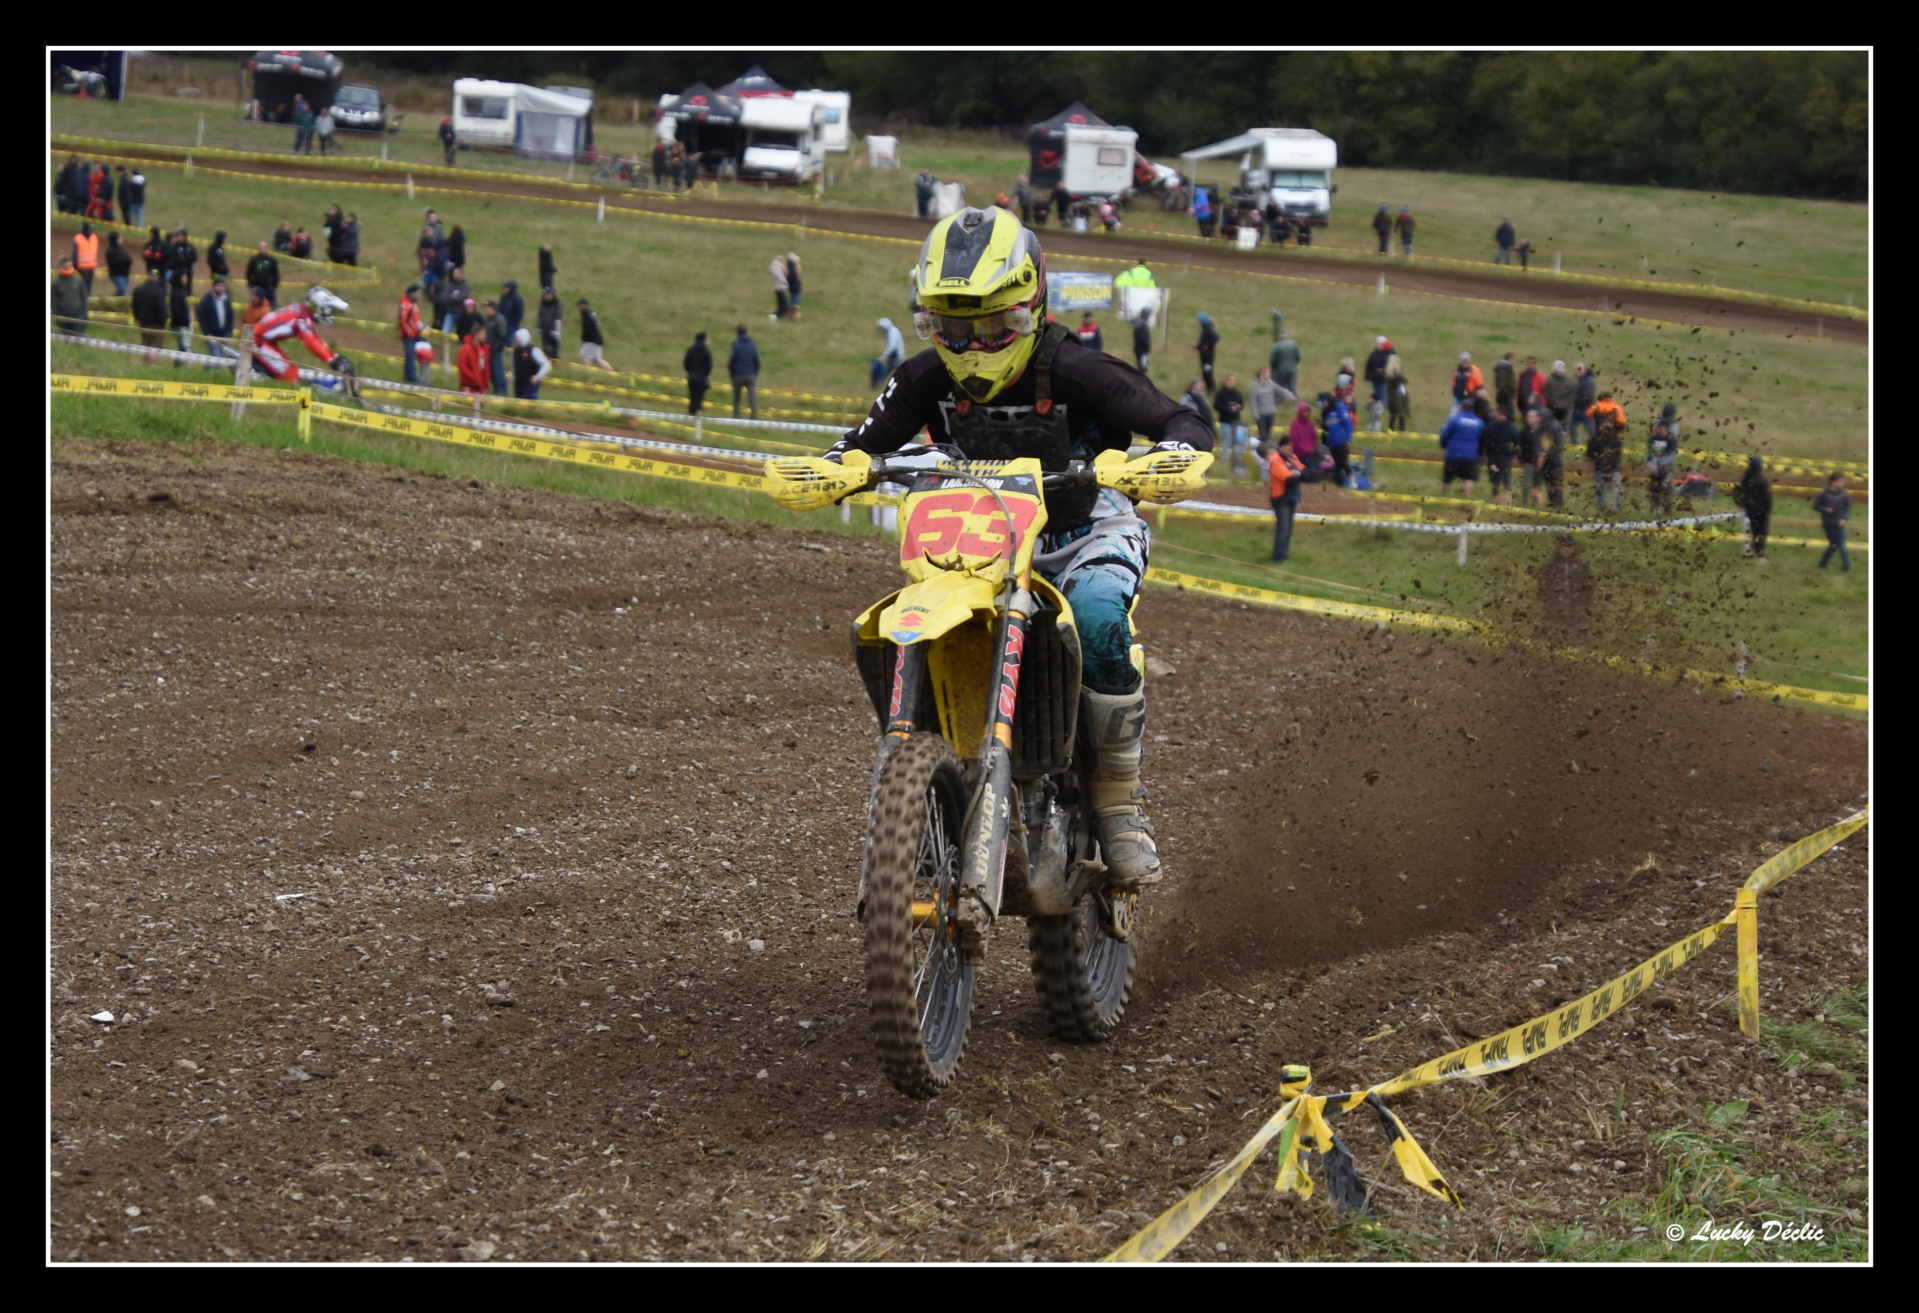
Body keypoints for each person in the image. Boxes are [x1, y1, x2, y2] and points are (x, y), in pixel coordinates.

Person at [824, 206, 1214, 893]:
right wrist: (832, 469)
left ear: (1030, 306)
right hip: (979, 542)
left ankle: (1118, 804)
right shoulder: (924, 378)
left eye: (991, 326)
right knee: (907, 615)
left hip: (1084, 532)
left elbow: (1180, 419)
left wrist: (1171, 456)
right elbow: (860, 444)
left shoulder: (1078, 368)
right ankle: (925, 777)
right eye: (953, 328)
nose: (973, 346)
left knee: (1096, 618)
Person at [1536, 536, 1594, 648]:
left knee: (1579, 643)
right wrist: (1549, 607)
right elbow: (1542, 590)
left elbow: (1588, 589)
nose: (1567, 549)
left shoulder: (1581, 567)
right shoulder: (1550, 568)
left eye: (1569, 546)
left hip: (1576, 613)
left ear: (1574, 548)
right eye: (1564, 546)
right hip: (1556, 613)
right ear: (1559, 548)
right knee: (1555, 643)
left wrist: (1584, 607)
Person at [1268, 433, 1305, 562]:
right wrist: (1296, 474)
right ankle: (1279, 557)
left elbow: (1303, 471)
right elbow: (1288, 477)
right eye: (1287, 445)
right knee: (1283, 528)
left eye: (1291, 446)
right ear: (1281, 446)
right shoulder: (1275, 459)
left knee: (1289, 529)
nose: (1290, 448)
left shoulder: (1292, 458)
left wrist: (1297, 473)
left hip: (1293, 497)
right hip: (1281, 498)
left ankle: (1284, 555)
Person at [1438, 399, 1483, 497]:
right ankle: (1466, 498)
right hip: (1471, 455)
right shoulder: (1479, 422)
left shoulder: (1455, 419)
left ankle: (1443, 497)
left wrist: (1443, 445)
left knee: (1447, 479)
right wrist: (1479, 452)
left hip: (1453, 454)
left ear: (1462, 408)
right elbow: (1482, 439)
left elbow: (1445, 435)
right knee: (1469, 478)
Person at [1731, 455, 1772, 562]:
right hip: (1761, 512)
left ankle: (1749, 553)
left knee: (1750, 532)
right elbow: (1767, 499)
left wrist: (1743, 505)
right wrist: (1767, 511)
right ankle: (1760, 554)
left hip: (1749, 511)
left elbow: (1737, 493)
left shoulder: (1746, 478)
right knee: (1760, 533)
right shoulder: (1762, 481)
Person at [1645, 403, 1680, 513]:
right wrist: (1652, 467)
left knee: (1667, 488)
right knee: (1654, 488)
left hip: (1667, 468)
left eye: (1660, 427)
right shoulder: (1653, 439)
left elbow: (1671, 455)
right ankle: (1656, 509)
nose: (1658, 429)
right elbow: (1649, 454)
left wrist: (1660, 465)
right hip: (1656, 468)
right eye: (1657, 427)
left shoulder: (1671, 439)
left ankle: (1667, 509)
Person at [1813, 473, 1852, 572]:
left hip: (1840, 523)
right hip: (1828, 523)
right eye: (1841, 481)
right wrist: (1826, 509)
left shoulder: (1843, 494)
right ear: (1833, 482)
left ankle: (1843, 566)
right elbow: (1816, 506)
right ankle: (1845, 566)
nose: (1843, 483)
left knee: (1837, 544)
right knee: (1836, 545)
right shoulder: (1824, 493)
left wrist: (1844, 518)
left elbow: (1847, 507)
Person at [1215, 374, 1251, 480]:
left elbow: (1242, 404)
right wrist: (1228, 409)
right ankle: (1225, 458)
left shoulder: (1237, 393)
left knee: (1237, 440)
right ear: (1225, 381)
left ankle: (1236, 458)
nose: (1231, 382)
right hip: (1224, 420)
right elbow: (1216, 406)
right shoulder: (1220, 393)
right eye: (1229, 380)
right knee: (1227, 439)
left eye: (1232, 380)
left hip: (1236, 421)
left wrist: (1239, 407)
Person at [1483, 404, 1517, 504]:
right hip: (1506, 458)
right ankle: (1507, 498)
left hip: (1493, 458)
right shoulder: (1512, 428)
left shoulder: (1491, 427)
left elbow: (1485, 442)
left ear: (1498, 413)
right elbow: (1517, 444)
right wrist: (1512, 455)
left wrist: (1487, 454)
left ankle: (1496, 499)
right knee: (1506, 477)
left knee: (1495, 478)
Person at [195, 277, 235, 360]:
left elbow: (230, 316)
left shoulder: (226, 299)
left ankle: (208, 367)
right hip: (212, 335)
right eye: (218, 285)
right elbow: (201, 317)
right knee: (216, 358)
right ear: (213, 286)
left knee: (221, 357)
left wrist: (229, 330)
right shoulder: (206, 300)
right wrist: (207, 332)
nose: (220, 287)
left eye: (221, 286)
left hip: (224, 334)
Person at [131, 269, 168, 359]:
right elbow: (161, 308)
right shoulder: (159, 291)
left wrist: (138, 318)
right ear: (158, 278)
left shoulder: (138, 290)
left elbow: (134, 306)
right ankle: (152, 365)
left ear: (148, 275)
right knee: (155, 346)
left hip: (143, 323)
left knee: (146, 344)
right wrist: (163, 321)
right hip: (157, 324)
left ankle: (145, 364)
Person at [1588, 418, 1624, 512]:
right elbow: (1590, 454)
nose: (1607, 425)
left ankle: (1617, 509)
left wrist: (1614, 464)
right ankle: (1602, 509)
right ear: (1601, 426)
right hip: (1600, 470)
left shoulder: (1615, 439)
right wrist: (1598, 461)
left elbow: (1618, 454)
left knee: (1617, 490)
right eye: (1604, 423)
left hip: (1613, 470)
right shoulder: (1595, 439)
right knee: (1601, 492)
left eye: (1609, 423)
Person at [1533, 408, 1566, 508]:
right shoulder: (1539, 429)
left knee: (1556, 484)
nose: (1537, 419)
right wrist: (1539, 455)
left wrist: (1545, 455)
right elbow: (1537, 443)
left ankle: (1559, 504)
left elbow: (1558, 446)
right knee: (1548, 484)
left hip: (1555, 461)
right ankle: (1552, 503)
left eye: (1539, 417)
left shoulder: (1556, 428)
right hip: (1544, 462)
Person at [1322, 389, 1354, 487]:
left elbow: (1347, 423)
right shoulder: (1325, 412)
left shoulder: (1339, 407)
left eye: (1324, 402)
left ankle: (1353, 481)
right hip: (1332, 443)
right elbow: (1328, 428)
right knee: (1337, 465)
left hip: (1342, 441)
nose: (1323, 405)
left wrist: (1348, 438)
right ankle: (1340, 485)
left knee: (1343, 463)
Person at [728, 324, 761, 419]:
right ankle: (754, 417)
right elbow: (757, 361)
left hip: (737, 375)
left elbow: (730, 362)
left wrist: (732, 374)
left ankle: (736, 417)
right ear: (747, 332)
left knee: (737, 398)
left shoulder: (735, 345)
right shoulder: (753, 345)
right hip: (750, 375)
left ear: (737, 333)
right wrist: (755, 373)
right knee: (752, 397)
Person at [51, 257, 88, 335]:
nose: (68, 268)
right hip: (63, 316)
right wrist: (56, 315)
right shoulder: (56, 283)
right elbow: (51, 300)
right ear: (60, 267)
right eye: (65, 266)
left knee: (79, 337)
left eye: (69, 266)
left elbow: (84, 297)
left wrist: (84, 314)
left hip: (78, 315)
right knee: (66, 338)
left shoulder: (78, 280)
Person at [510, 327, 550, 400]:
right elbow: (513, 365)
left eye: (517, 339)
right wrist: (513, 377)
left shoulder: (534, 350)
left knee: (530, 405)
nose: (515, 341)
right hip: (518, 385)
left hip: (530, 385)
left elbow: (546, 364)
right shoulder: (516, 350)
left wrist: (538, 377)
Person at [1249, 366, 1283, 445]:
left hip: (1270, 412)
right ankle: (1262, 448)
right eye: (1265, 373)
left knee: (1268, 434)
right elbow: (1253, 400)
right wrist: (1255, 414)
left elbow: (1279, 391)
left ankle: (1267, 448)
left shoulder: (1270, 383)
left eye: (1268, 373)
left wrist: (1289, 395)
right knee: (1263, 434)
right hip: (1261, 414)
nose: (1267, 375)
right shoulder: (1255, 384)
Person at [577, 298, 614, 371]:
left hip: (591, 340)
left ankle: (587, 370)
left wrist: (584, 339)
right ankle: (610, 370)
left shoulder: (586, 314)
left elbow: (587, 329)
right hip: (598, 339)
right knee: (597, 358)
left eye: (580, 305)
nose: (578, 307)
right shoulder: (592, 313)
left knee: (583, 355)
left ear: (584, 305)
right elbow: (597, 326)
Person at [484, 300, 510, 395]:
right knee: (491, 371)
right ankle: (496, 388)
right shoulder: (489, 319)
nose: (486, 309)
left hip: (496, 350)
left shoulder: (499, 319)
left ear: (493, 308)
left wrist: (495, 348)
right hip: (488, 349)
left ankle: (502, 390)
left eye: (487, 307)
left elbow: (502, 336)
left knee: (497, 371)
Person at [684, 331, 713, 415]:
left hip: (692, 377)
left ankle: (691, 413)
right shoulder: (707, 352)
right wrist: (705, 374)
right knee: (699, 397)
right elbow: (709, 366)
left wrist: (690, 372)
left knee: (692, 396)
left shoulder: (690, 350)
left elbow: (686, 363)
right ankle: (697, 413)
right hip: (701, 378)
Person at [872, 316, 906, 387]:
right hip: (895, 357)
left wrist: (883, 357)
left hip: (896, 358)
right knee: (898, 373)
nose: (882, 331)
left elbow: (891, 347)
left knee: (890, 372)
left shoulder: (892, 332)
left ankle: (878, 385)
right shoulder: (893, 331)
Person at [1544, 360, 1576, 432]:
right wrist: (1566, 404)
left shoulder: (1549, 381)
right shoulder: (1570, 382)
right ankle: (1562, 436)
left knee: (1550, 426)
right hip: (1564, 409)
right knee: (1563, 426)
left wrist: (1554, 404)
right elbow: (1573, 395)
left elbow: (1546, 395)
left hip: (1552, 407)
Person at [246, 242, 281, 308]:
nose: (262, 249)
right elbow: (249, 273)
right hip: (256, 287)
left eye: (264, 247)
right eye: (261, 247)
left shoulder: (272, 260)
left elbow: (276, 274)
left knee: (272, 305)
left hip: (268, 288)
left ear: (267, 248)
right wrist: (250, 285)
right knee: (256, 305)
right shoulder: (253, 260)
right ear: (258, 248)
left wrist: (274, 286)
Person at [70, 222, 100, 296]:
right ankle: (82, 299)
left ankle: (86, 300)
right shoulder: (78, 238)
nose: (92, 231)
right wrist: (75, 265)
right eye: (90, 229)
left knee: (88, 287)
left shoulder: (94, 237)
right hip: (83, 267)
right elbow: (74, 253)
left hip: (91, 266)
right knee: (84, 287)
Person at [457, 329, 490, 395]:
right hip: (468, 386)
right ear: (476, 335)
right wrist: (473, 376)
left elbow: (484, 368)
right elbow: (462, 365)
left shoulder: (483, 349)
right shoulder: (466, 348)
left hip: (480, 387)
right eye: (483, 334)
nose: (485, 336)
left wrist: (484, 383)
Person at [1270, 328, 1300, 397]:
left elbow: (1273, 360)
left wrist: (1274, 368)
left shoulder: (1277, 345)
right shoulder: (1294, 344)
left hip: (1280, 370)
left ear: (1279, 336)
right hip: (1292, 369)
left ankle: (1278, 401)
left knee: (1279, 387)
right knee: (1292, 387)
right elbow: (1297, 357)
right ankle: (1294, 400)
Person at [165, 228, 197, 294]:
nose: (180, 238)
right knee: (177, 287)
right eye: (179, 236)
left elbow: (194, 257)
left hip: (188, 269)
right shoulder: (174, 247)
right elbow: (173, 258)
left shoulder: (189, 247)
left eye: (182, 236)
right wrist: (181, 259)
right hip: (177, 269)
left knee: (188, 287)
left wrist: (185, 257)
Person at [1384, 353, 1411, 432]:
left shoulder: (1388, 374)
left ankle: (1391, 430)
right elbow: (1404, 381)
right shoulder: (1396, 375)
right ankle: (1401, 430)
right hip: (1396, 397)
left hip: (1391, 396)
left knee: (1393, 414)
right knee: (1401, 413)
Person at [168, 270, 192, 354]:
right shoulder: (177, 293)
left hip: (181, 324)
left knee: (183, 348)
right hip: (180, 325)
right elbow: (177, 310)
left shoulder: (180, 291)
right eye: (184, 277)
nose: (186, 278)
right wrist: (185, 320)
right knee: (184, 348)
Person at [1194, 312, 1219, 390]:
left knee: (1207, 372)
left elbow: (1216, 337)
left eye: (1199, 319)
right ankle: (1205, 387)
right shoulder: (1205, 327)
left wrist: (1207, 345)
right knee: (1205, 372)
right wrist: (1198, 346)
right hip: (1204, 354)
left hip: (1208, 356)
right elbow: (1205, 341)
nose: (1198, 321)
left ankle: (1211, 388)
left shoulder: (1208, 328)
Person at [1572, 363, 1597, 441]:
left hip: (1585, 409)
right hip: (1578, 408)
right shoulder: (1581, 379)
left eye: (1580, 369)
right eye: (1577, 369)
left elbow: (1588, 396)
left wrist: (1577, 402)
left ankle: (1596, 441)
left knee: (1589, 427)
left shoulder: (1588, 381)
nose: (1578, 371)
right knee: (1572, 426)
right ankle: (1574, 443)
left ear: (1585, 370)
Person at [535, 285, 561, 358]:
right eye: (544, 294)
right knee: (545, 347)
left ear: (552, 295)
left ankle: (555, 360)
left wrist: (555, 330)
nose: (545, 296)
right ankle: (546, 359)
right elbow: (540, 316)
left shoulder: (557, 304)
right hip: (544, 329)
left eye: (547, 294)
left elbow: (558, 317)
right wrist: (539, 327)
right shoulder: (542, 304)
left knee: (554, 347)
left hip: (553, 330)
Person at [104, 231, 132, 297]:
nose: (121, 238)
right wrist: (124, 262)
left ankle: (115, 301)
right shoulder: (110, 250)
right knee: (121, 289)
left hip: (124, 274)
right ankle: (110, 300)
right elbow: (114, 261)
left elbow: (128, 259)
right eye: (119, 237)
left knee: (122, 292)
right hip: (116, 274)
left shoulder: (120, 249)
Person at [769, 254, 792, 320]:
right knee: (784, 306)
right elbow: (779, 276)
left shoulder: (776, 267)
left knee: (782, 306)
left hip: (779, 288)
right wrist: (785, 282)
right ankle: (774, 316)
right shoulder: (776, 267)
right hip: (780, 288)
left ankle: (776, 317)